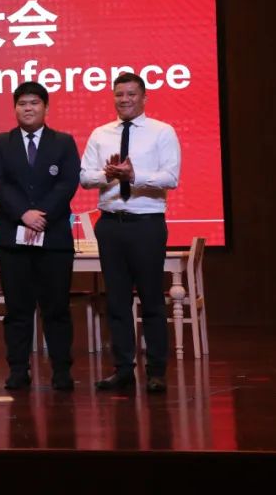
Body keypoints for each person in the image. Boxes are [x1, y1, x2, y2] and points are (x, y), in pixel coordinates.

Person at [80, 72, 181, 394]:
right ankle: (123, 369)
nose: (124, 100)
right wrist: (108, 174)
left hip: (146, 224)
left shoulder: (162, 131)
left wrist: (135, 175)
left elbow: (171, 177)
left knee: (151, 299)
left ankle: (156, 371)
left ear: (144, 97)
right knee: (117, 301)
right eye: (119, 94)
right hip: (110, 224)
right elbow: (85, 177)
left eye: (131, 94)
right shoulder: (100, 134)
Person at [0, 82, 80, 391]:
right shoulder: (1, 143)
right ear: (15, 108)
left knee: (57, 308)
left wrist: (42, 215)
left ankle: (62, 371)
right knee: (17, 309)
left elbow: (67, 183)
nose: (28, 108)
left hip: (54, 239)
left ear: (46, 107)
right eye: (22, 103)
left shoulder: (63, 143)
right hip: (13, 240)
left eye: (34, 103)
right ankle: (18, 369)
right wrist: (23, 213)